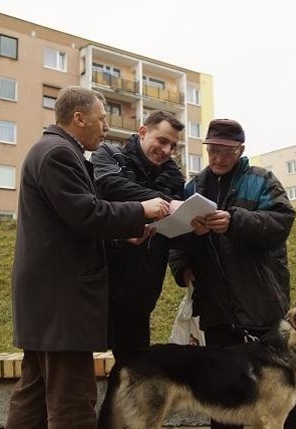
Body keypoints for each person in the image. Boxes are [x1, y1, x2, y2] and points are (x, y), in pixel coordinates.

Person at [5, 86, 170, 428]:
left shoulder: (53, 150)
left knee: (33, 396)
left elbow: (72, 224)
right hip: (61, 304)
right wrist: (142, 209)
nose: (106, 127)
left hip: (47, 303)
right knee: (74, 402)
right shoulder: (58, 154)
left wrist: (123, 231)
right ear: (79, 118)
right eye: (102, 118)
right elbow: (87, 214)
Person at [169, 118, 296, 429]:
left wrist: (234, 222)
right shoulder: (193, 187)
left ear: (240, 150)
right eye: (212, 149)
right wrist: (182, 268)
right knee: (223, 395)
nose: (218, 157)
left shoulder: (262, 180)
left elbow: (282, 222)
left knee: (276, 395)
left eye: (226, 151)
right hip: (216, 308)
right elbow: (176, 238)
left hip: (261, 302)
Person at [90, 110, 185, 357]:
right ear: (143, 132)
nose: (167, 150)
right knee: (79, 366)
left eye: (173, 146)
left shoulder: (174, 174)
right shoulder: (109, 153)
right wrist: (162, 202)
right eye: (162, 141)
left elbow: (175, 217)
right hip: (101, 279)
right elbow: (110, 185)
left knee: (135, 366)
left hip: (142, 286)